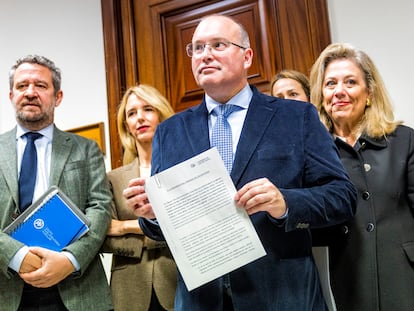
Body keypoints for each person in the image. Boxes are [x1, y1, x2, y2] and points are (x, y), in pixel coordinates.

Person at [123, 15, 357, 311]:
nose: (205, 54)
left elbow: (342, 197)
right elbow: (160, 229)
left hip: (282, 295)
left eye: (218, 45)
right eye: (196, 48)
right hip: (201, 300)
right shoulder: (171, 131)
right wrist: (154, 214)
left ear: (247, 56)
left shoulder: (296, 117)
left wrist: (284, 202)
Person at [0, 55, 113, 310]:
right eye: (21, 86)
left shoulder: (86, 149)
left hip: (77, 287)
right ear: (10, 96)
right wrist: (18, 257)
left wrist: (71, 259)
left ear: (57, 97)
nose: (30, 92)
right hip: (8, 287)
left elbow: (100, 207)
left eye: (40, 85)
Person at [309, 42, 414, 311]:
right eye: (330, 83)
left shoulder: (405, 140)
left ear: (369, 92)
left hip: (405, 277)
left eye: (350, 82)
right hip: (347, 279)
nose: (339, 92)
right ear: (321, 95)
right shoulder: (311, 153)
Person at [102, 84, 177, 311]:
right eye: (131, 113)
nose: (140, 118)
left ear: (162, 115)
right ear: (127, 126)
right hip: (128, 291)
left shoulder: (181, 170)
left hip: (178, 283)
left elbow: (188, 226)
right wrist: (164, 230)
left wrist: (125, 226)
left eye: (148, 109)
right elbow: (104, 237)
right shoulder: (112, 179)